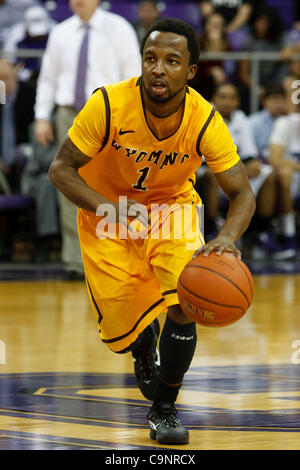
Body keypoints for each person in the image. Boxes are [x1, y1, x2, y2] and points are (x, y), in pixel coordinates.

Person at [48, 18, 255, 445]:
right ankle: (142, 345)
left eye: (171, 61)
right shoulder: (107, 104)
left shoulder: (203, 119)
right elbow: (60, 169)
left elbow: (242, 194)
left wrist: (227, 239)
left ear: (191, 71)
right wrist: (108, 208)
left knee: (185, 301)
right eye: (150, 58)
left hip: (171, 210)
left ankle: (164, 408)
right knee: (122, 331)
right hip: (107, 214)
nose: (158, 69)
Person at [34, 0, 141, 279]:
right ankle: (75, 262)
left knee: (109, 186)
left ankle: (112, 258)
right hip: (68, 114)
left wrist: (129, 120)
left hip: (110, 117)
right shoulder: (60, 31)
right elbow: (47, 79)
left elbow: (133, 77)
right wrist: (42, 116)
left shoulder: (119, 29)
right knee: (68, 185)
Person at [197, 82, 291, 259]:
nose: (227, 102)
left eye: (232, 98)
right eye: (223, 97)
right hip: (208, 173)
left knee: (268, 174)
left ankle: (261, 233)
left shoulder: (241, 118)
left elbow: (251, 158)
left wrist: (245, 168)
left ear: (238, 101)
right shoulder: (203, 114)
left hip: (232, 172)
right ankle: (209, 231)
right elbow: (201, 162)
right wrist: (239, 169)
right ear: (214, 99)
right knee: (210, 175)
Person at [268, 105, 300, 258]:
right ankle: (290, 237)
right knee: (284, 174)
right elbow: (275, 159)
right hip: (291, 178)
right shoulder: (285, 122)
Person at [249, 84, 287, 162]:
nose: (279, 104)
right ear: (264, 101)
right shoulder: (253, 122)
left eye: (282, 99)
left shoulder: (289, 121)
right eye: (274, 99)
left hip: (283, 163)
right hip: (259, 165)